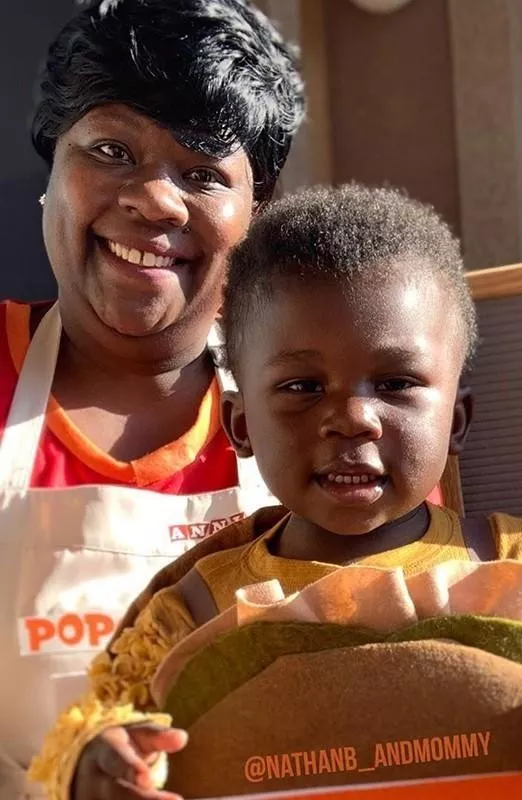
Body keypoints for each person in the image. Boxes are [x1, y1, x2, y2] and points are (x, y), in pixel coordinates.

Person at [30, 185, 522, 800]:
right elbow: (91, 724)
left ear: (455, 422)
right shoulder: (194, 605)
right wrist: (98, 759)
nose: (353, 417)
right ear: (241, 426)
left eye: (396, 384)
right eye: (303, 388)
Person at [0, 1, 305, 796]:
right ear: (52, 167)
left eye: (202, 173)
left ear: (257, 210)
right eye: (111, 149)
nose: (158, 201)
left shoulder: (318, 410)